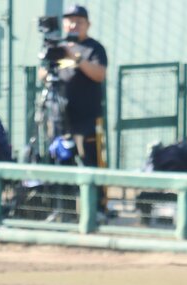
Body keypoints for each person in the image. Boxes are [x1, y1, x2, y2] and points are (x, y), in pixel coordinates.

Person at [45, 5, 108, 167]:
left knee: (88, 161)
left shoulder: (94, 48)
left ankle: (95, 193)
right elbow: (42, 74)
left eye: (79, 22)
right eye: (70, 21)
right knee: (60, 162)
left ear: (88, 24)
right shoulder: (59, 47)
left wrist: (76, 58)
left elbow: (99, 74)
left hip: (86, 120)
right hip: (60, 118)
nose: (74, 25)